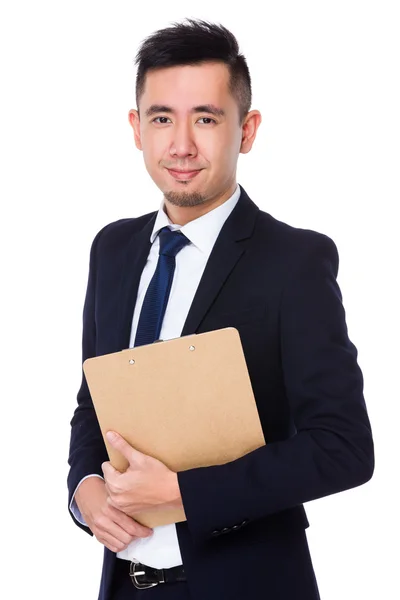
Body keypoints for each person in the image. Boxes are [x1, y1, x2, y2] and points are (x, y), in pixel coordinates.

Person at [67, 18, 374, 600]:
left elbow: (343, 448)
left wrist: (186, 495)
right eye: (162, 118)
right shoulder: (113, 249)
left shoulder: (294, 261)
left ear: (247, 129)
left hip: (247, 582)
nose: (181, 144)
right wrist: (84, 488)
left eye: (206, 119)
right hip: (125, 586)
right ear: (137, 128)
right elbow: (93, 401)